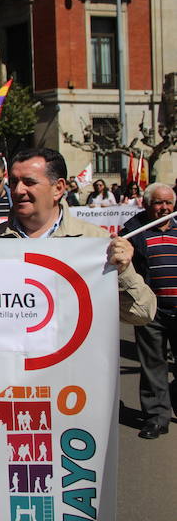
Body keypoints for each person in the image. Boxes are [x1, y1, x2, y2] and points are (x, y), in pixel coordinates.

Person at [0, 148, 154, 329]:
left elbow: (142, 313)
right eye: (14, 182)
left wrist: (123, 272)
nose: (18, 190)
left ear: (58, 188)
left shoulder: (96, 241)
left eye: (29, 182)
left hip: (72, 355)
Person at [124, 183, 177, 439]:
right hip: (151, 312)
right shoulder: (134, 232)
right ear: (147, 204)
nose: (164, 208)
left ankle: (172, 397)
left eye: (168, 203)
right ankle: (156, 417)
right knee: (153, 366)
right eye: (158, 203)